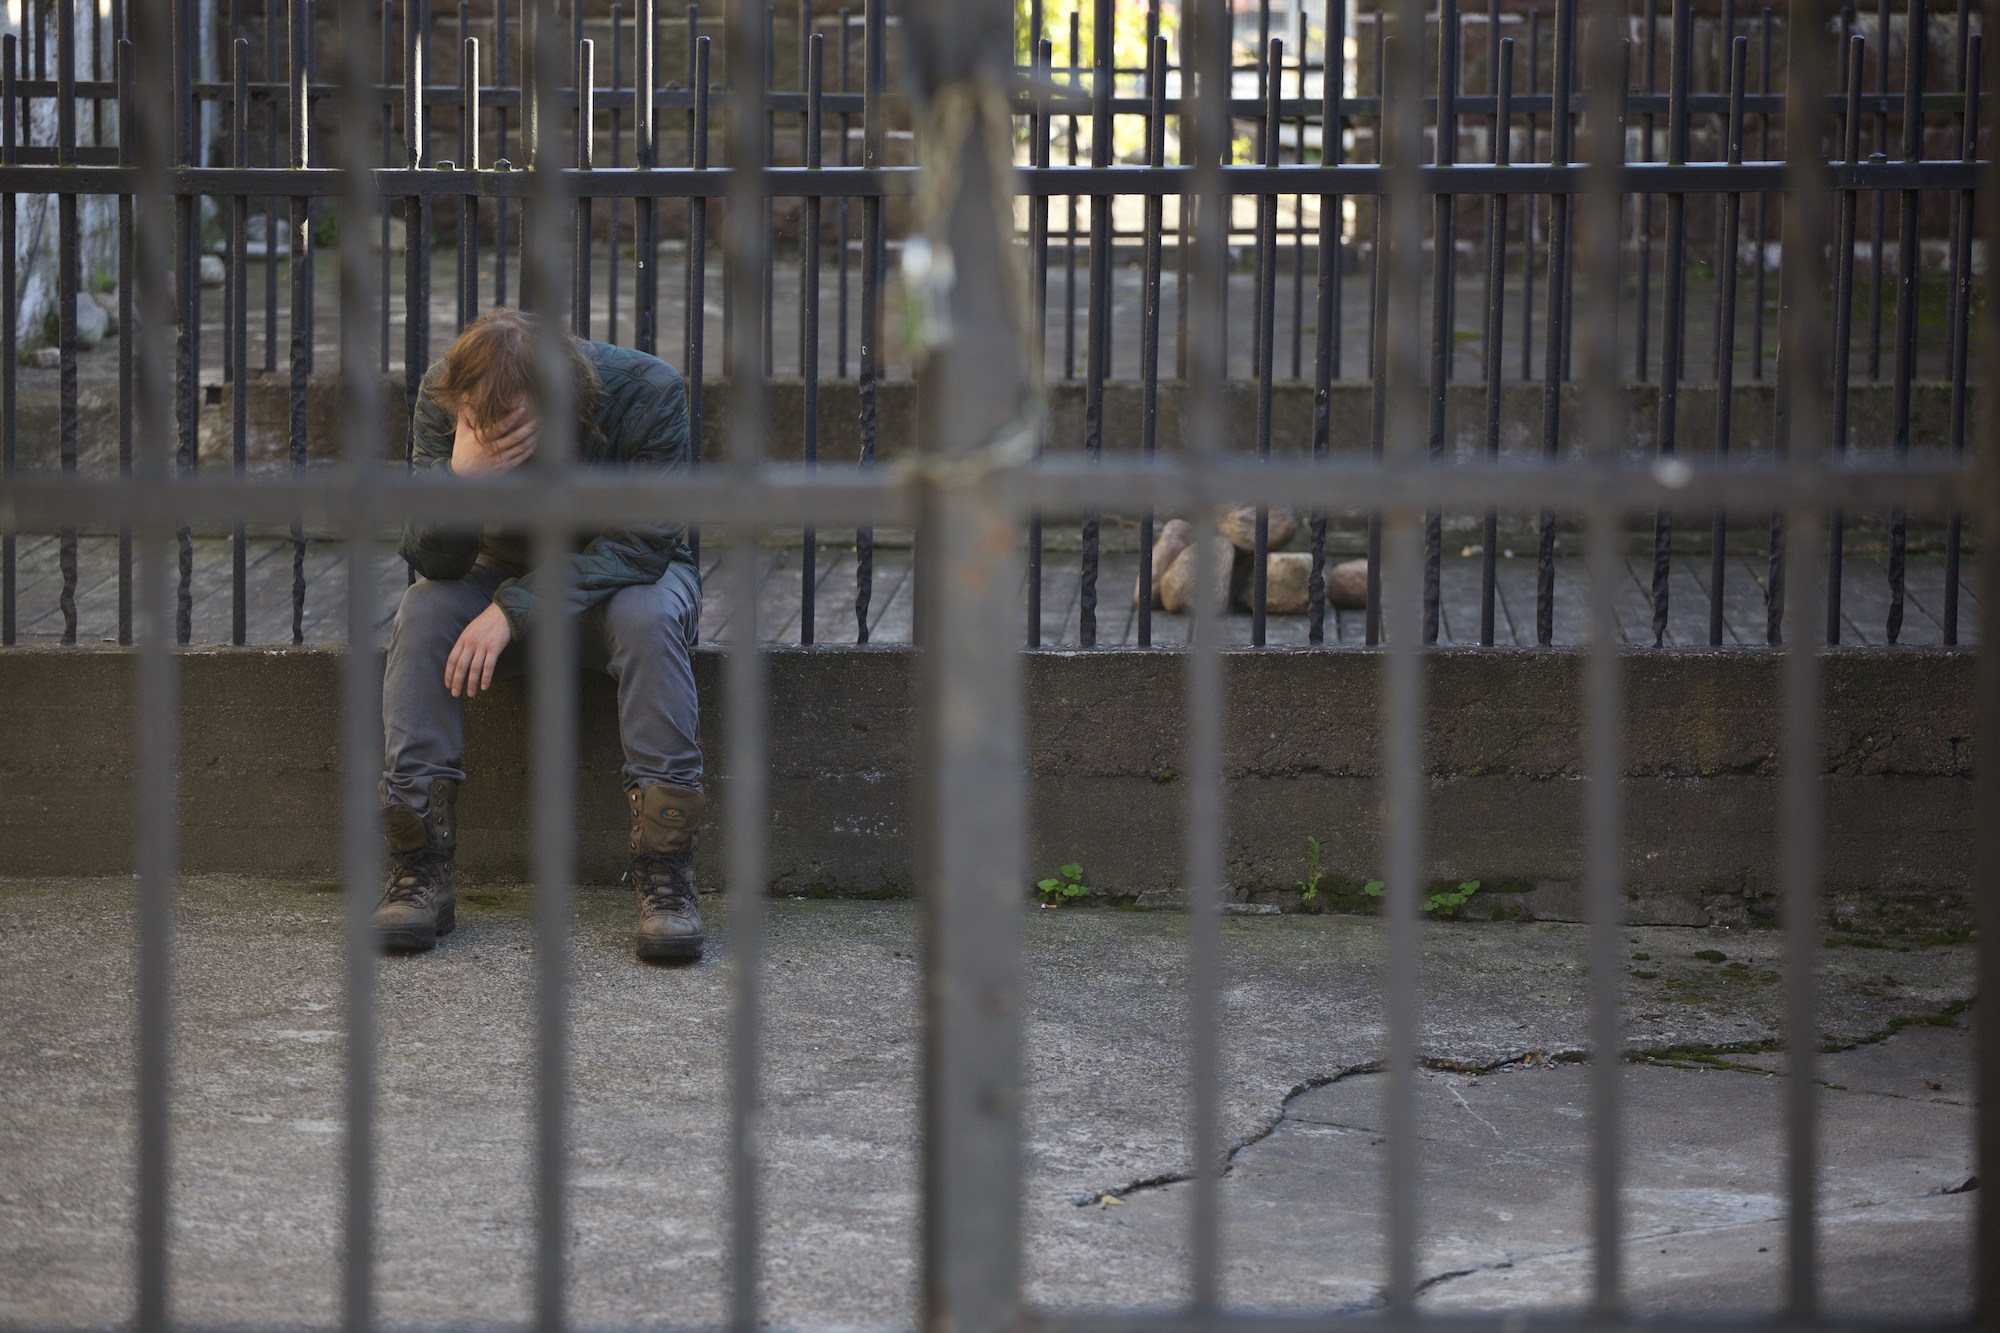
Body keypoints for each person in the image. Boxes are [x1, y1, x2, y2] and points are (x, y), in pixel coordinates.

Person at [373, 308, 706, 961]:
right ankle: (421, 869)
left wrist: (513, 610)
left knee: (647, 617)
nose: (496, 442)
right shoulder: (446, 395)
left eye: (515, 435)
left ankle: (667, 875)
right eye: (482, 427)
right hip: (499, 568)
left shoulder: (650, 391)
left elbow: (642, 548)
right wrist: (460, 482)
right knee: (424, 611)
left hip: (629, 576)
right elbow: (432, 560)